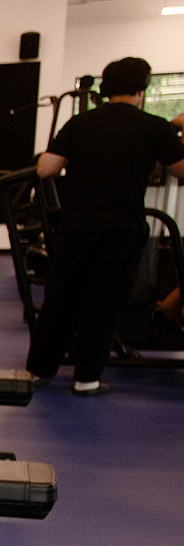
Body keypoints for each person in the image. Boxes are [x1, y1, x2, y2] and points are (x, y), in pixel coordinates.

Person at [26, 57, 184, 394]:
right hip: (122, 228)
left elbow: (46, 170)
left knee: (61, 298)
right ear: (142, 89)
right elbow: (182, 170)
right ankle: (87, 379)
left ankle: (40, 372)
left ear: (106, 88)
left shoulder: (81, 123)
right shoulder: (155, 127)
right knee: (103, 302)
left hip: (77, 226)